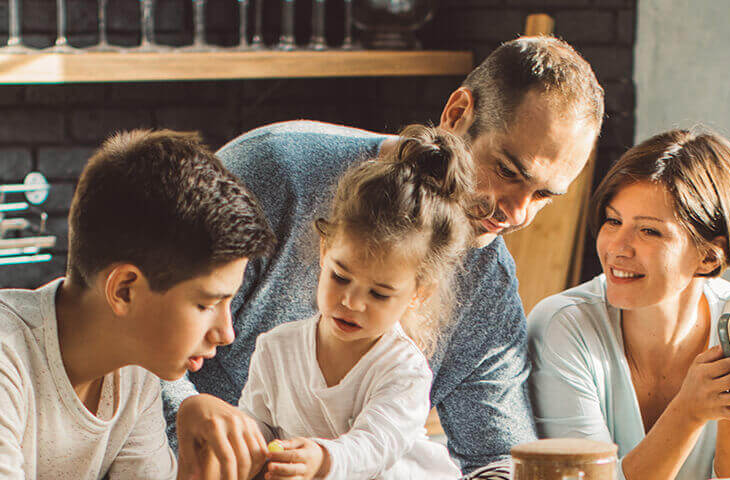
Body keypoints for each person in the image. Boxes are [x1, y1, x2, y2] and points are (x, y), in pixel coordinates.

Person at [164, 35, 605, 476]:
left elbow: (498, 457)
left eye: (544, 195)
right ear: (457, 113)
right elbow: (136, 334)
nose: (517, 213)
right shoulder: (276, 173)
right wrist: (193, 423)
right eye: (507, 171)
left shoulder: (488, 287)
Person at [0, 130, 275, 479]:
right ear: (124, 291)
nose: (226, 333)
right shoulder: (7, 357)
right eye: (206, 304)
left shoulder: (134, 375)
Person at [528, 129, 730, 480]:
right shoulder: (563, 326)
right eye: (613, 221)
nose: (618, 246)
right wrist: (689, 412)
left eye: (649, 231)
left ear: (708, 257)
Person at [239, 125, 476, 480]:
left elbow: (373, 446)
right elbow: (258, 428)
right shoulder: (276, 348)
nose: (351, 301)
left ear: (418, 293)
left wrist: (321, 459)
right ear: (324, 251)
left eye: (379, 293)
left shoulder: (404, 370)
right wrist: (244, 445)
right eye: (340, 276)